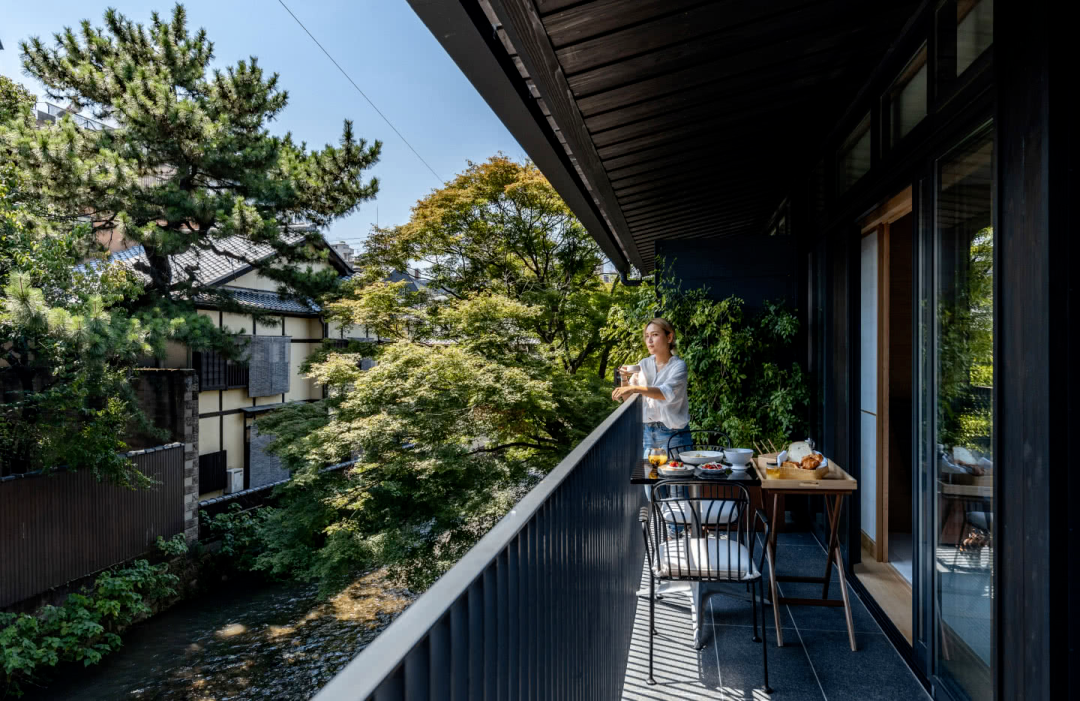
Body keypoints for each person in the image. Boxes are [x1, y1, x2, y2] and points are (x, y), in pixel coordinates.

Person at [612, 318, 691, 487]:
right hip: (648, 433)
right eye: (647, 336)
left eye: (654, 335)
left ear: (669, 337)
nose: (649, 340)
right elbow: (628, 399)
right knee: (651, 487)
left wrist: (635, 388)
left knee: (676, 489)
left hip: (674, 435)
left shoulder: (678, 366)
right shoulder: (643, 364)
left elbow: (664, 393)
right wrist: (625, 380)